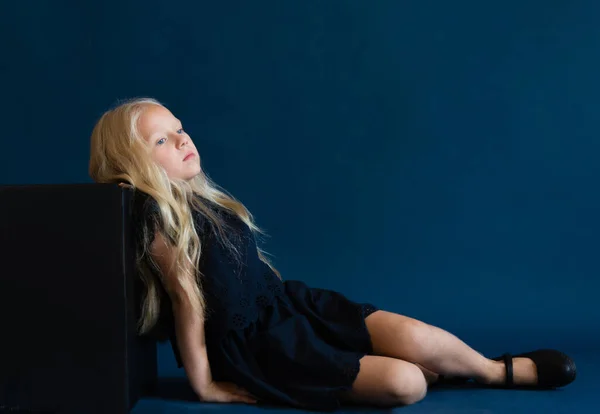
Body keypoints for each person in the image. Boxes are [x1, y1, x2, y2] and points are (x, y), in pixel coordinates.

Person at [88, 97, 576, 411]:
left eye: (179, 127)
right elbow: (187, 302)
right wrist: (204, 384)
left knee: (411, 332)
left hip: (290, 306)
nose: (182, 138)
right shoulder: (156, 216)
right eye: (162, 139)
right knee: (408, 386)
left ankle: (493, 371)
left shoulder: (203, 200)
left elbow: (246, 267)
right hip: (261, 345)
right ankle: (387, 368)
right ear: (132, 164)